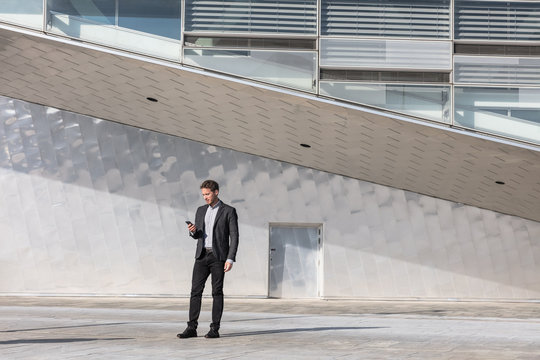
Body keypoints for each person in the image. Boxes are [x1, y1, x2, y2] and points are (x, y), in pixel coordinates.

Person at [177, 180, 239, 339]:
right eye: (203, 194)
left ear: (216, 192)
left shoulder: (229, 211)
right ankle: (191, 328)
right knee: (195, 292)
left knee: (216, 292)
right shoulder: (200, 210)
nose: (205, 197)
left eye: (207, 194)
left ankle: (214, 329)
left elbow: (234, 236)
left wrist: (230, 258)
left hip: (218, 257)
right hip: (201, 255)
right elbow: (198, 235)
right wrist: (193, 231)